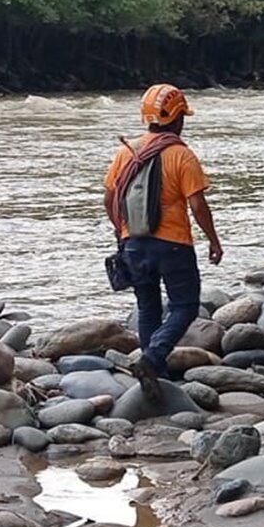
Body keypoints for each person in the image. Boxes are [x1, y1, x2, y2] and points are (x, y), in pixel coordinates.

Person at [103, 83, 223, 392]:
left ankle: (154, 372)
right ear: (178, 117)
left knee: (148, 307)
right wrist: (213, 240)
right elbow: (197, 204)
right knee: (185, 306)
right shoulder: (181, 155)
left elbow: (109, 197)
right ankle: (153, 357)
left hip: (133, 242)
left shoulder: (126, 152)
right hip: (173, 244)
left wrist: (122, 230)